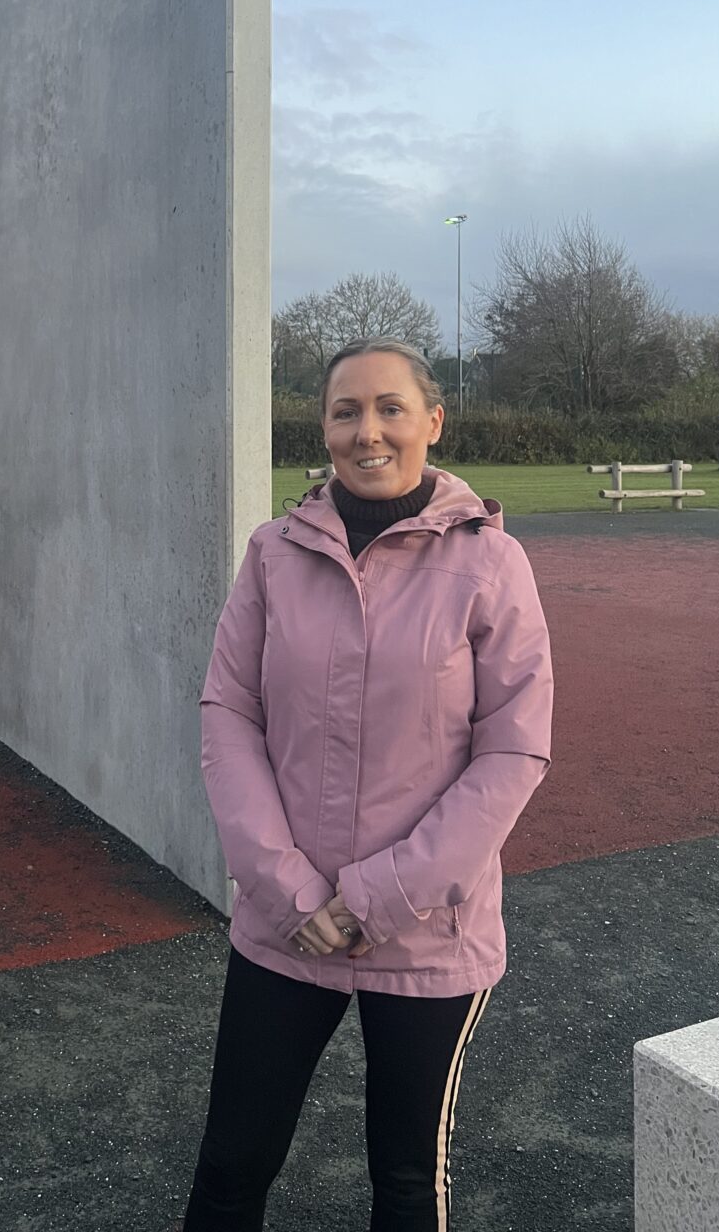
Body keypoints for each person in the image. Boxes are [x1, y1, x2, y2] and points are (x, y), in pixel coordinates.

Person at [180, 336, 554, 1232]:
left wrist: (375, 900)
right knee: (232, 1165)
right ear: (324, 428)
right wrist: (289, 889)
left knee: (404, 1184)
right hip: (289, 925)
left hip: (430, 935)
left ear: (433, 420)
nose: (368, 431)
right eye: (346, 411)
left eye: (391, 408)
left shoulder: (491, 564)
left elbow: (514, 750)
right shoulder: (273, 553)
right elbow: (228, 714)